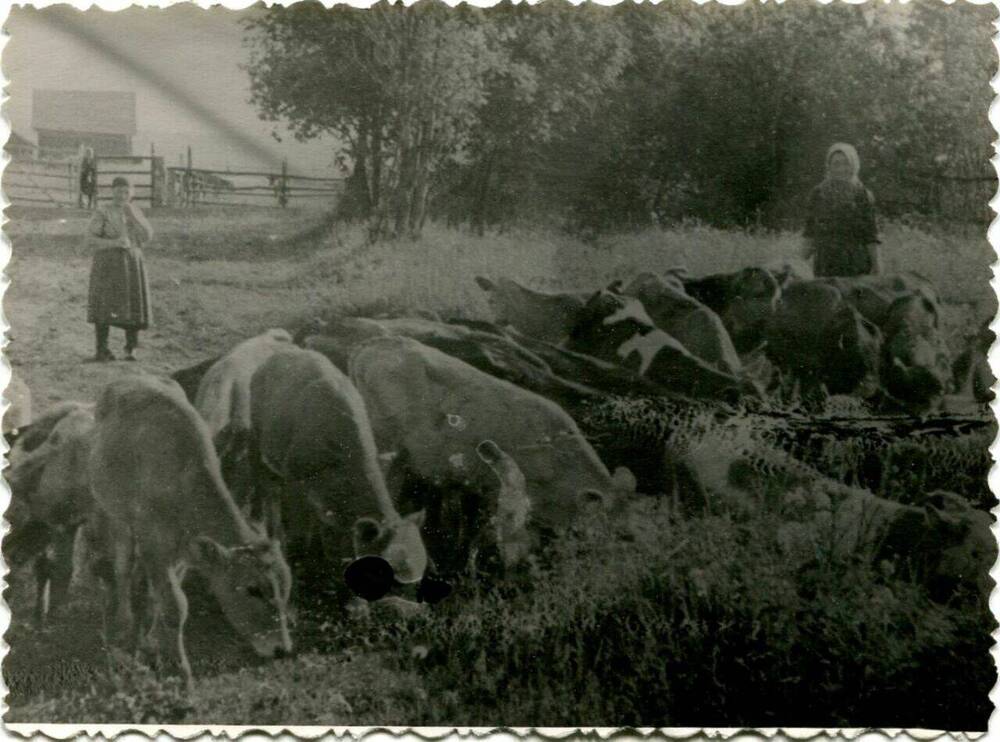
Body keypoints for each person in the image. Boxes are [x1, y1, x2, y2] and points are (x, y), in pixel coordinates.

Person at [86, 176, 154, 362]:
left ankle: (130, 349)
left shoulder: (136, 211)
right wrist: (114, 242)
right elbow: (90, 239)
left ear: (132, 193)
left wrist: (133, 216)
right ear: (112, 192)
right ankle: (102, 350)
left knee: (133, 304)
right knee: (104, 305)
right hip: (108, 263)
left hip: (132, 263)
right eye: (118, 191)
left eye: (126, 191)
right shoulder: (103, 211)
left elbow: (148, 236)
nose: (122, 195)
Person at [802, 142, 881, 277]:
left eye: (846, 163)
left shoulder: (862, 194)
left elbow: (871, 236)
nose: (841, 169)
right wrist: (797, 263)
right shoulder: (818, 193)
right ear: (829, 166)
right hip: (825, 265)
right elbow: (810, 233)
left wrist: (878, 267)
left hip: (856, 265)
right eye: (836, 164)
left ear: (854, 165)